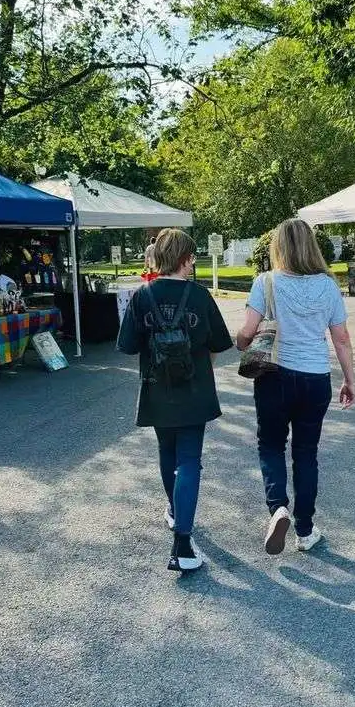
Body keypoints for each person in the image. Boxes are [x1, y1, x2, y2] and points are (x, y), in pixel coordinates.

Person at [117, 228, 233, 573]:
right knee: (190, 460)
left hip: (156, 388)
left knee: (167, 454)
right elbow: (217, 345)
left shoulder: (142, 296)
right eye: (192, 257)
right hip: (194, 390)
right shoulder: (199, 296)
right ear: (185, 259)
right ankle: (182, 540)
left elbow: (129, 346)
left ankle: (174, 511)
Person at [237, 219, 355, 555]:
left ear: (278, 247)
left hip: (274, 375)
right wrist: (349, 380)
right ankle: (305, 530)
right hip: (316, 378)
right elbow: (342, 338)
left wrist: (241, 342)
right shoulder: (329, 286)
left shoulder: (266, 282)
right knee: (306, 454)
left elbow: (247, 331)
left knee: (271, 445)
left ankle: (278, 508)